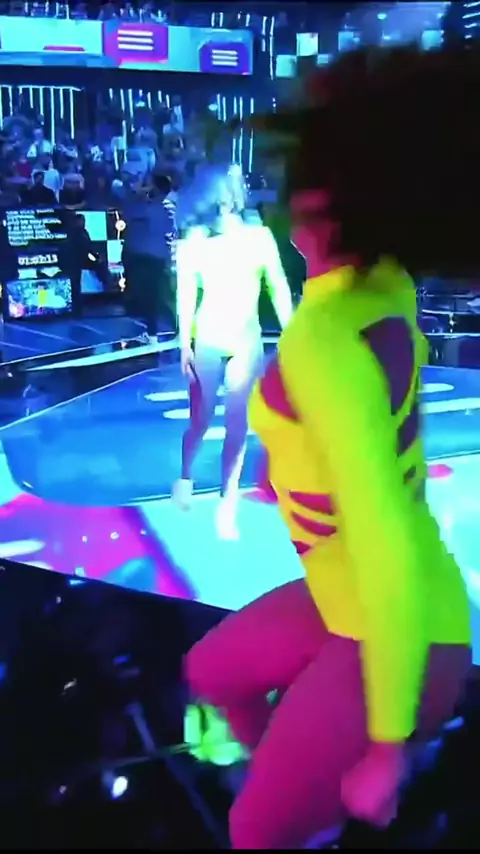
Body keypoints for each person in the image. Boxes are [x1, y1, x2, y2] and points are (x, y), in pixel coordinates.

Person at [184, 45, 474, 848]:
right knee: (210, 672)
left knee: (252, 833)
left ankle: (307, 805)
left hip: (392, 620)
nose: (288, 200)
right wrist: (289, 467)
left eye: (305, 182)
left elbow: (385, 541)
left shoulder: (325, 341)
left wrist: (385, 747)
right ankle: (297, 776)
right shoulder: (383, 283)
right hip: (351, 592)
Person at [172, 164, 293, 540]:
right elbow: (186, 293)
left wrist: (291, 332)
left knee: (237, 426)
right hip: (208, 338)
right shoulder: (195, 241)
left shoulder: (259, 237)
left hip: (246, 340)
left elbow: (278, 285)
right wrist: (184, 343)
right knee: (201, 419)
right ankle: (185, 476)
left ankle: (228, 504)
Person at [114, 171, 177, 343]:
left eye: (147, 184)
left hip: (149, 258)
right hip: (158, 256)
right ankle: (156, 333)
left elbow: (128, 211)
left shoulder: (153, 207)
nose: (145, 186)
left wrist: (137, 193)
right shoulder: (168, 205)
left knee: (156, 297)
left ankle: (157, 333)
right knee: (159, 297)